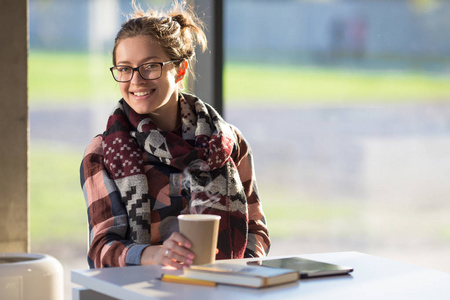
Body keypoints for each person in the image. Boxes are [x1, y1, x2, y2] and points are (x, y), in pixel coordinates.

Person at [80, 0, 270, 270]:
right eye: (124, 68)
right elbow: (101, 249)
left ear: (179, 69)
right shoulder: (103, 153)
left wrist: (237, 275)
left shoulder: (229, 141)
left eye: (150, 66)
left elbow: (256, 229)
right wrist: (155, 255)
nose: (136, 80)